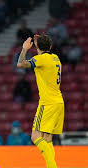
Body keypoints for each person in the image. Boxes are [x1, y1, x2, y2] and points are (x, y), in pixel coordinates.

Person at [17, 34, 64, 168]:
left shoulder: (41, 59)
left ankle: (52, 166)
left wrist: (25, 49)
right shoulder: (55, 57)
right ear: (50, 46)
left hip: (47, 103)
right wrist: (39, 43)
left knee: (35, 136)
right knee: (47, 139)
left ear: (37, 46)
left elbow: (20, 64)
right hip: (58, 102)